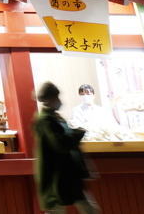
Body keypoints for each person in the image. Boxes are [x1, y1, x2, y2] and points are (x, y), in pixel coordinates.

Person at [33, 82, 101, 214]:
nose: (59, 101)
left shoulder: (54, 118)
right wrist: (78, 133)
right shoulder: (46, 121)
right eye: (56, 98)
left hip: (66, 176)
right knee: (61, 209)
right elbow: (60, 144)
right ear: (49, 100)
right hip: (57, 177)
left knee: (88, 209)